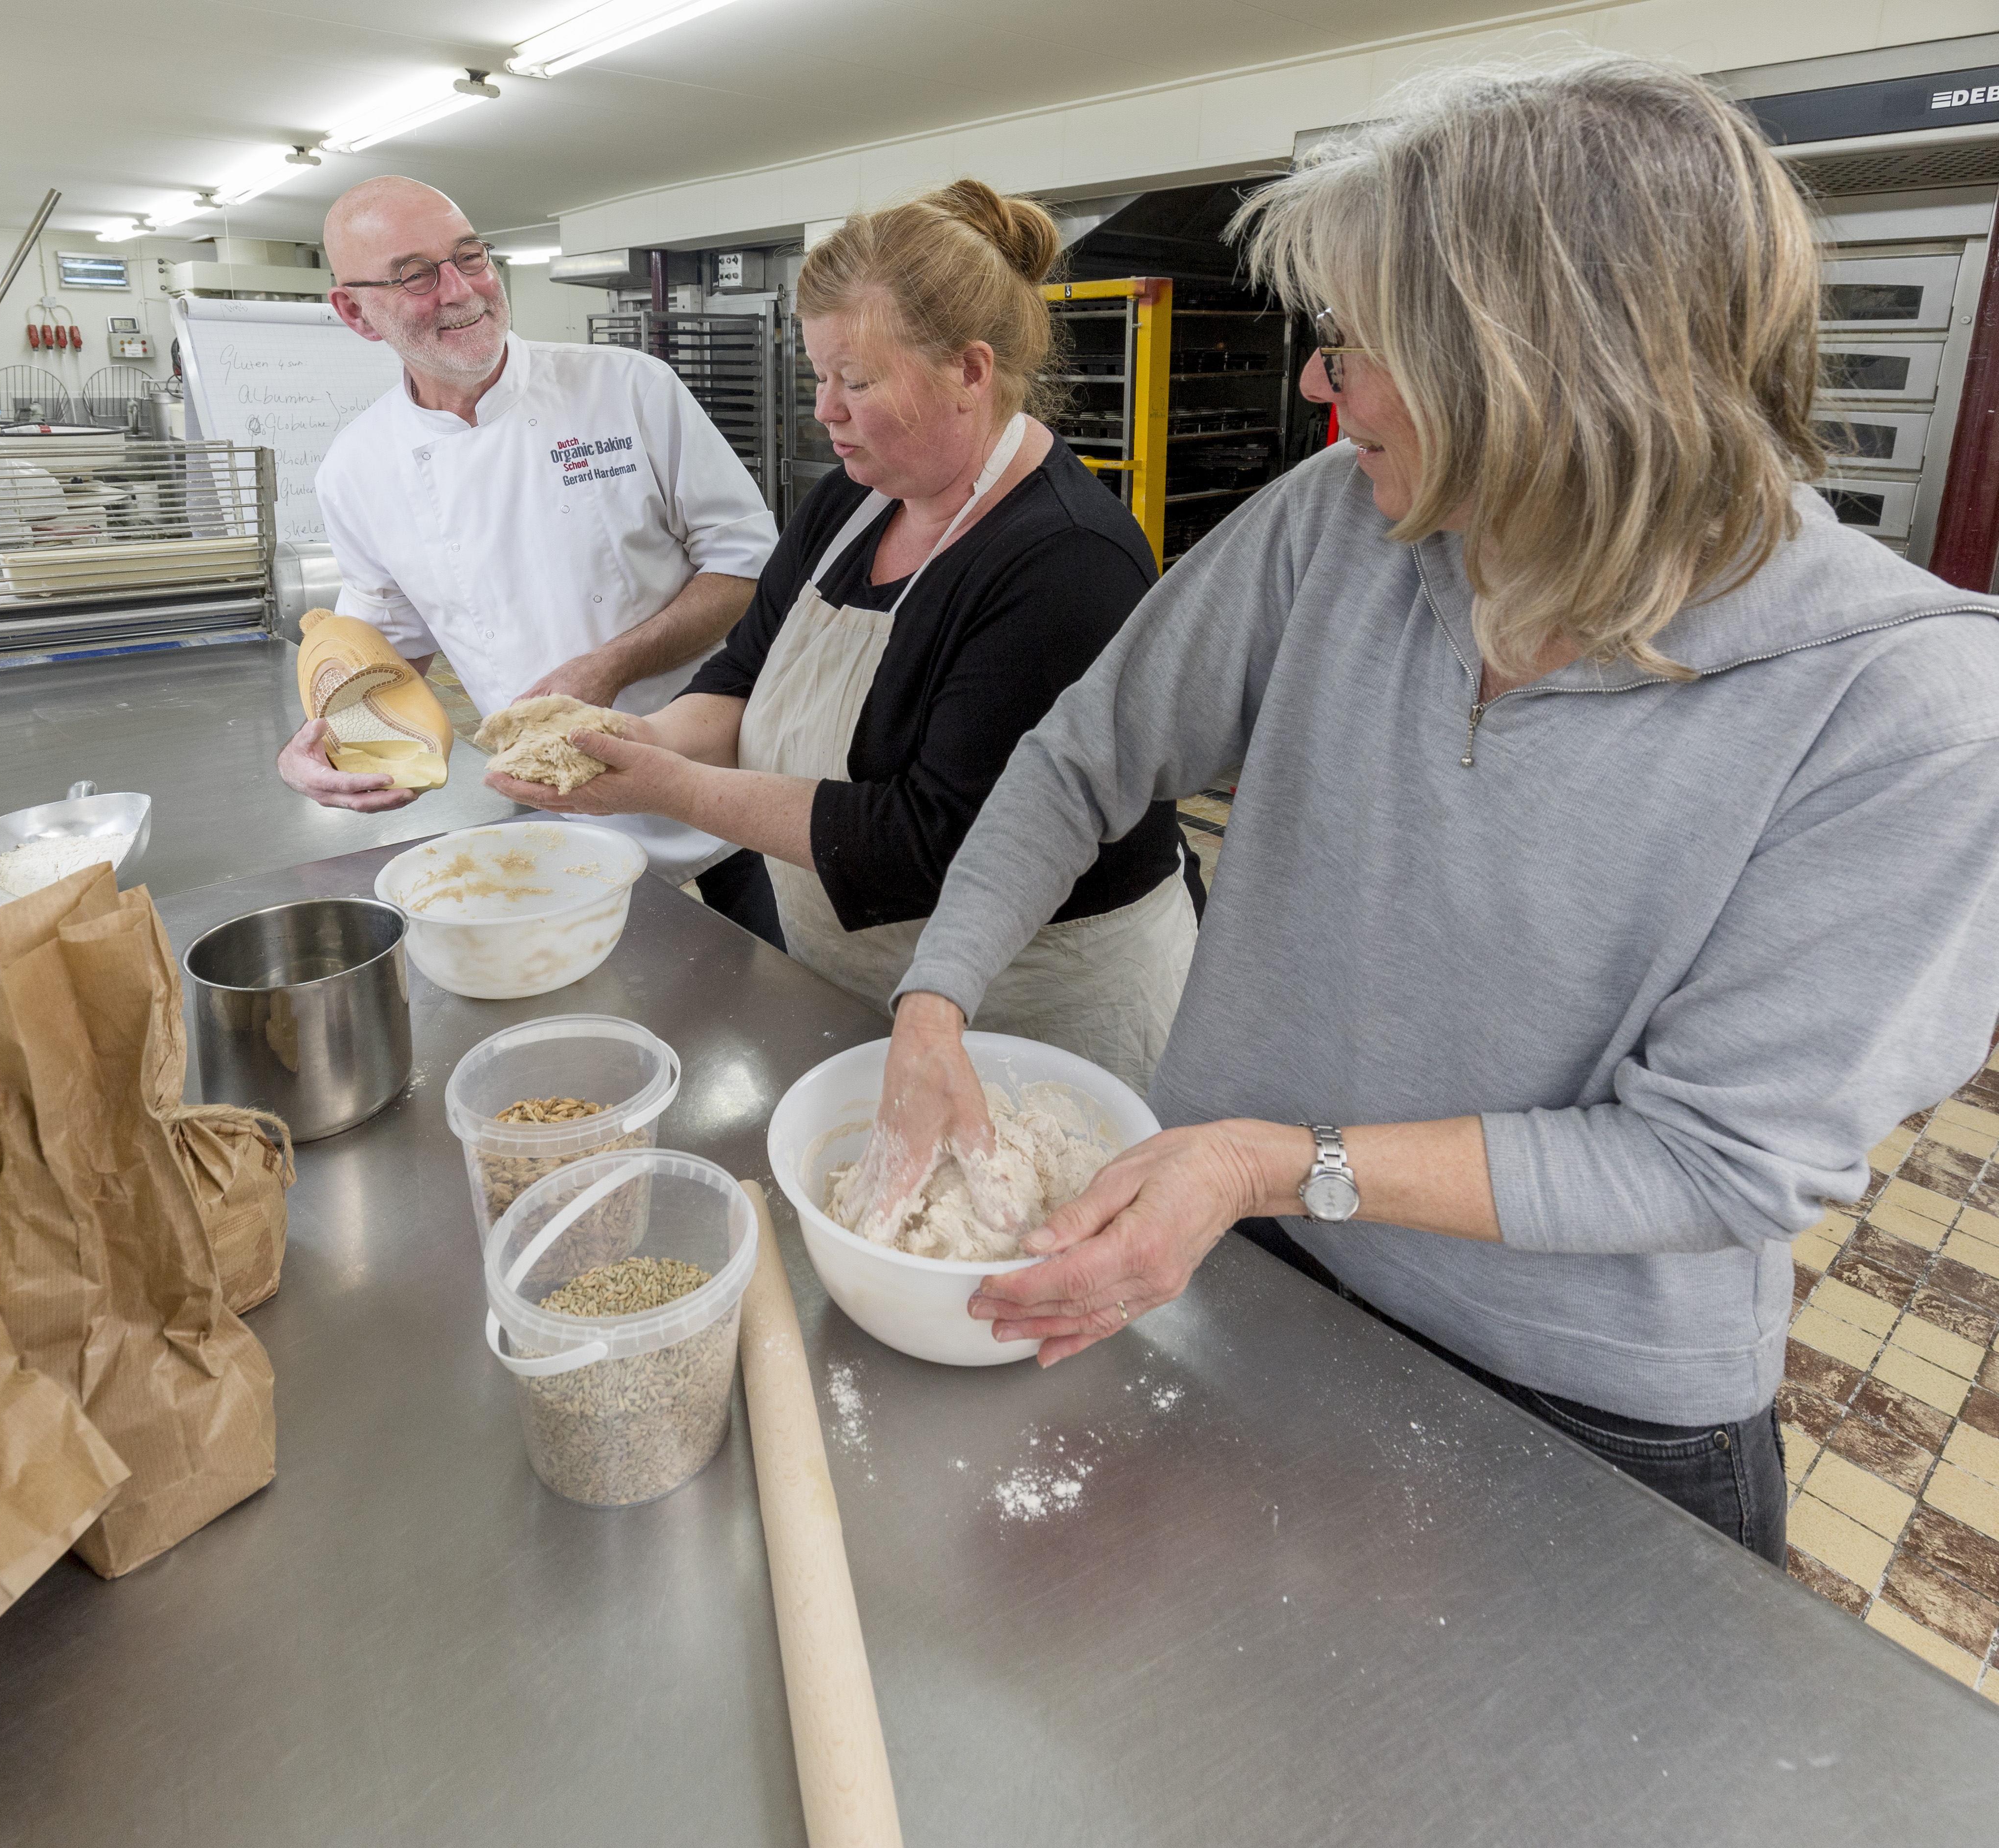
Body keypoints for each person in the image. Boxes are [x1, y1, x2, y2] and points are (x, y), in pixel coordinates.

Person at [852, 54, 1999, 1564]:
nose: (1321, 383)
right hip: (1248, 1276)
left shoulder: (1903, 710)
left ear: (1535, 367)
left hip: (1574, 1404)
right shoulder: (1335, 527)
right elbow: (1083, 755)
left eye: (1355, 344)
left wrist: (1265, 1158)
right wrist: (934, 1003)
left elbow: (1708, 1162)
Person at [488, 180, 1199, 1091]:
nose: (825, 409)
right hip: (856, 977)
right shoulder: (849, 505)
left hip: (1038, 1015)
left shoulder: (1067, 561)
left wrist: (671, 788)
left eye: (854, 381)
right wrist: (642, 737)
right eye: (819, 375)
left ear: (969, 372)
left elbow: (932, 842)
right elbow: (742, 673)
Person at [277, 176, 784, 935]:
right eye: (414, 274)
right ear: (353, 310)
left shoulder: (626, 388)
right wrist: (328, 742)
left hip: (720, 778)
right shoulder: (357, 468)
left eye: (470, 257)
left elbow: (748, 567)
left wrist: (606, 668)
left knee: (776, 1002)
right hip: (551, 801)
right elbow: (384, 653)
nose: (460, 291)